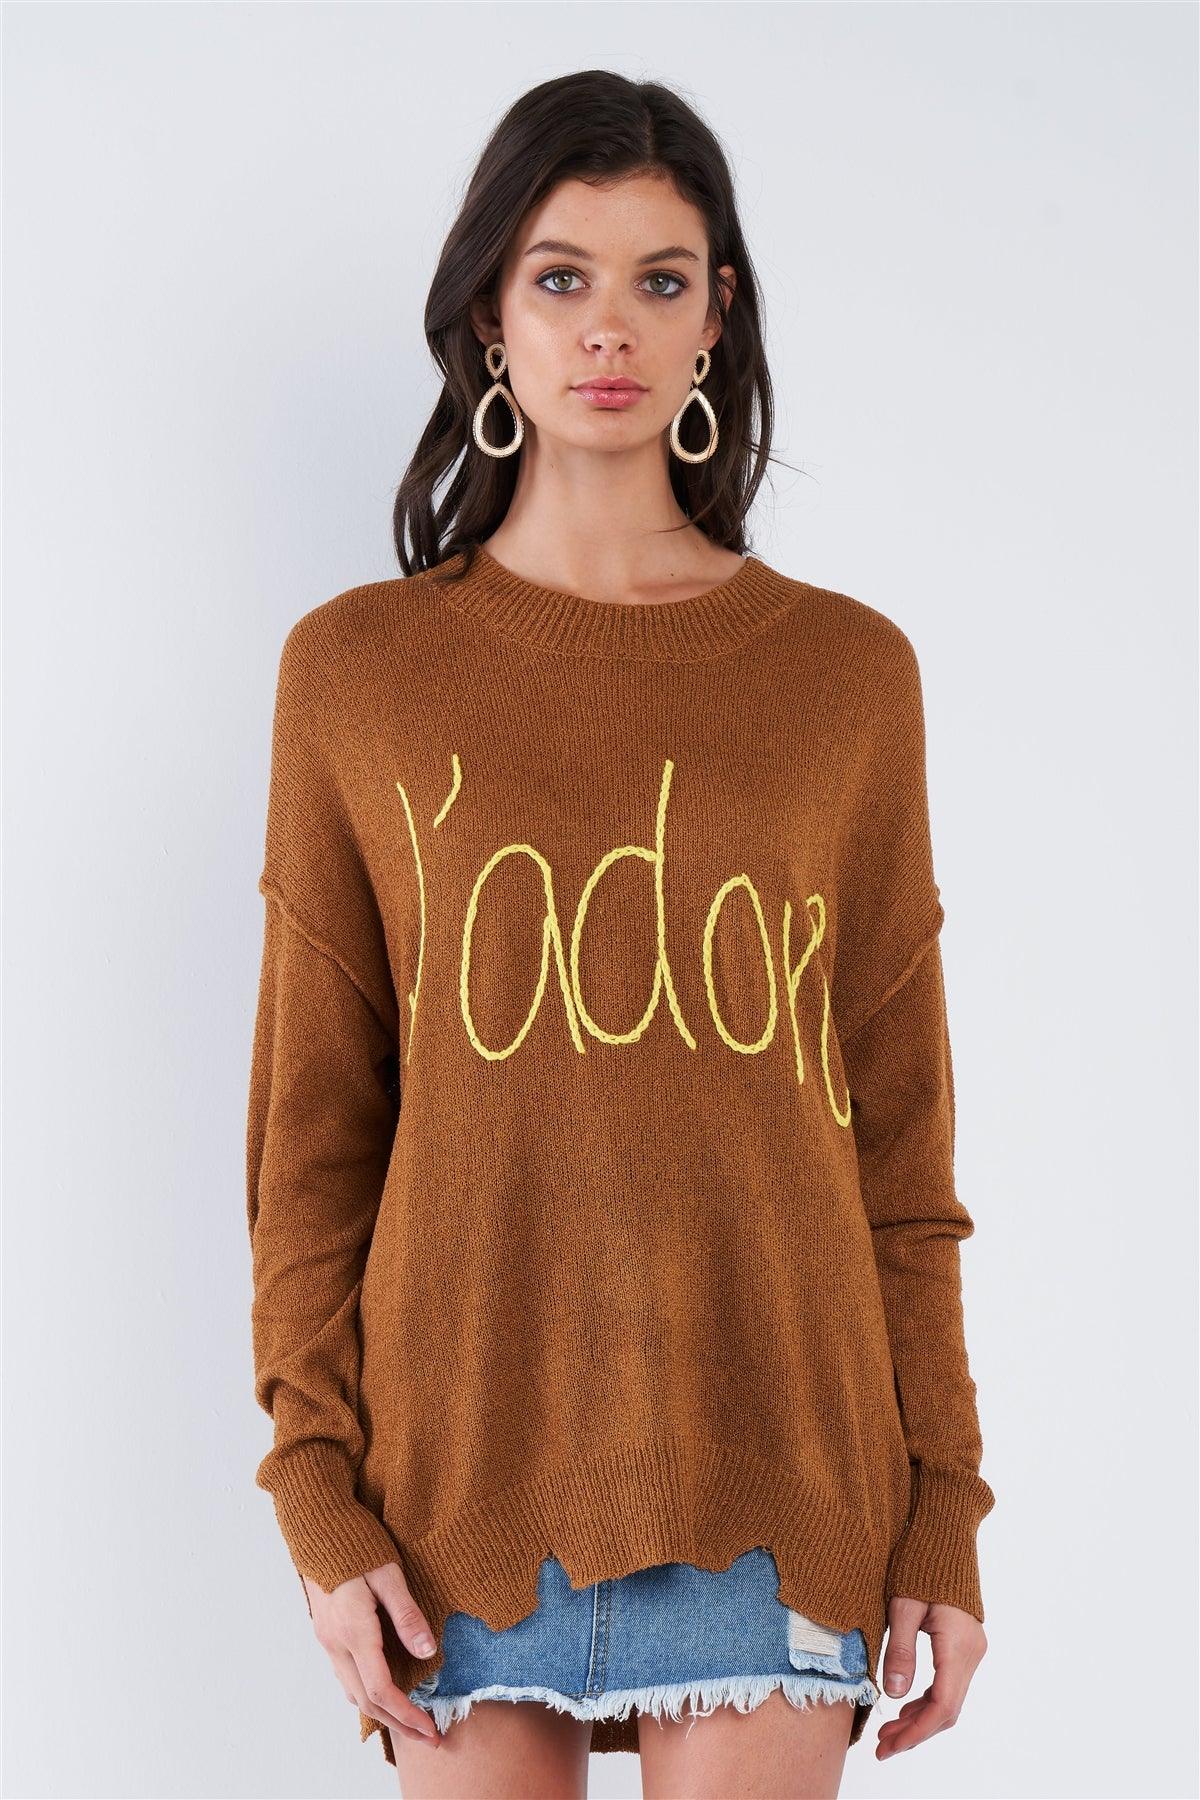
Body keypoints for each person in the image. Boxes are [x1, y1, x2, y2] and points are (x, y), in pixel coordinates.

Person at [245, 68, 995, 1800]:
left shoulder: (845, 677)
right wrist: (316, 1494)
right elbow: (313, 1142)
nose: (610, 326)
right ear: (487, 317)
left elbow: (901, 1141)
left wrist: (945, 1507)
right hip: (451, 1491)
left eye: (661, 279)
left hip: (780, 1479)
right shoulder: (355, 672)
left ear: (717, 315)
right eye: (560, 276)